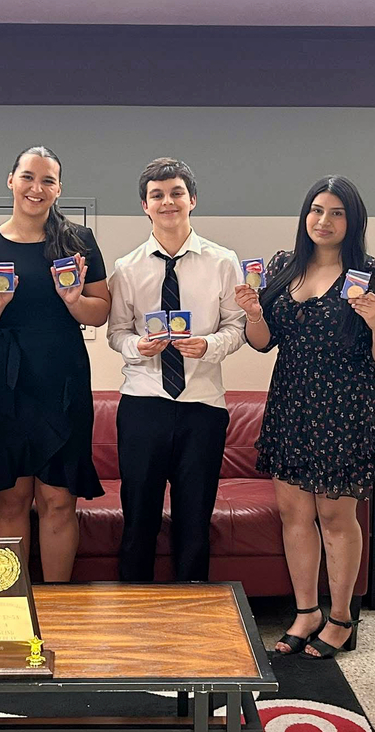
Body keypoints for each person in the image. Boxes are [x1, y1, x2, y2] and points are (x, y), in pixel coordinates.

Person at [236, 176, 375, 658]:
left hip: (347, 406)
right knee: (294, 514)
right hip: (292, 402)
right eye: (316, 210)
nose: (324, 221)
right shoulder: (283, 268)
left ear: (353, 221)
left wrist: (374, 319)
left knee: (335, 515)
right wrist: (251, 312)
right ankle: (306, 611)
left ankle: (342, 617)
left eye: (336, 213)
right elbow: (264, 342)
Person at [0, 146, 109, 582]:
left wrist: (76, 301)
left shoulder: (78, 241)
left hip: (63, 377)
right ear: (11, 180)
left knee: (60, 498)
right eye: (28, 177)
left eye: (47, 181)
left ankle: (58, 604)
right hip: (3, 381)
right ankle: (11, 607)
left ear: (59, 188)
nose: (36, 188)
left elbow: (102, 311)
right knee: (10, 498)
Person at [107, 157, 245, 582]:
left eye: (176, 193)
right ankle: (134, 607)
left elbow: (237, 327)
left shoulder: (222, 261)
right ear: (145, 206)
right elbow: (116, 333)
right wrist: (137, 346)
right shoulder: (126, 268)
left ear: (192, 200)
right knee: (139, 519)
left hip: (203, 406)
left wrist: (208, 345)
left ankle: (194, 609)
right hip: (143, 403)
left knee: (195, 520)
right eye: (157, 195)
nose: (167, 202)